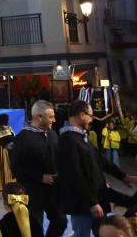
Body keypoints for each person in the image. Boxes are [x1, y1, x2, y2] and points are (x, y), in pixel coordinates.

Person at [58, 100, 137, 237]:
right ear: (82, 115)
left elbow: (100, 160)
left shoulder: (81, 136)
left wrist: (124, 176)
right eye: (90, 115)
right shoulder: (68, 140)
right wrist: (92, 202)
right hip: (84, 205)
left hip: (97, 200)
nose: (92, 119)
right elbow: (75, 176)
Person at [9, 100, 66, 237]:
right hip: (32, 192)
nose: (54, 120)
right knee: (35, 226)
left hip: (53, 191)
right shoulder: (22, 139)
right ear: (39, 117)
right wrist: (40, 177)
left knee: (60, 220)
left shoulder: (52, 134)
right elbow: (16, 167)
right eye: (51, 117)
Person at [0, 113, 15, 191]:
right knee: (2, 167)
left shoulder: (4, 127)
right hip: (1, 150)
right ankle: (2, 185)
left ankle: (6, 184)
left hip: (5, 149)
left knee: (5, 167)